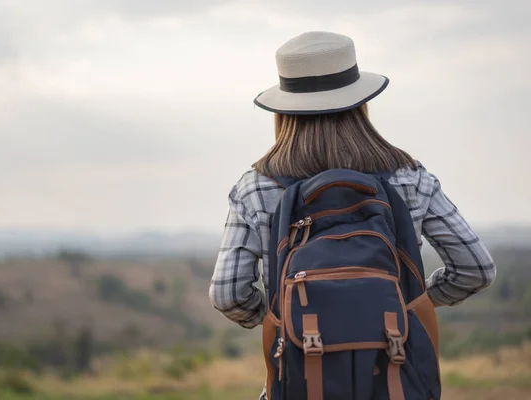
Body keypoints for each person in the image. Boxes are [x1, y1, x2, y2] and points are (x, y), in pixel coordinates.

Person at [208, 31, 496, 399]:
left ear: (284, 109)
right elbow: (476, 268)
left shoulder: (256, 187)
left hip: (300, 379)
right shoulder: (410, 177)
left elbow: (228, 294)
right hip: (397, 377)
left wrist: (287, 314)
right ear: (360, 101)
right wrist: (396, 300)